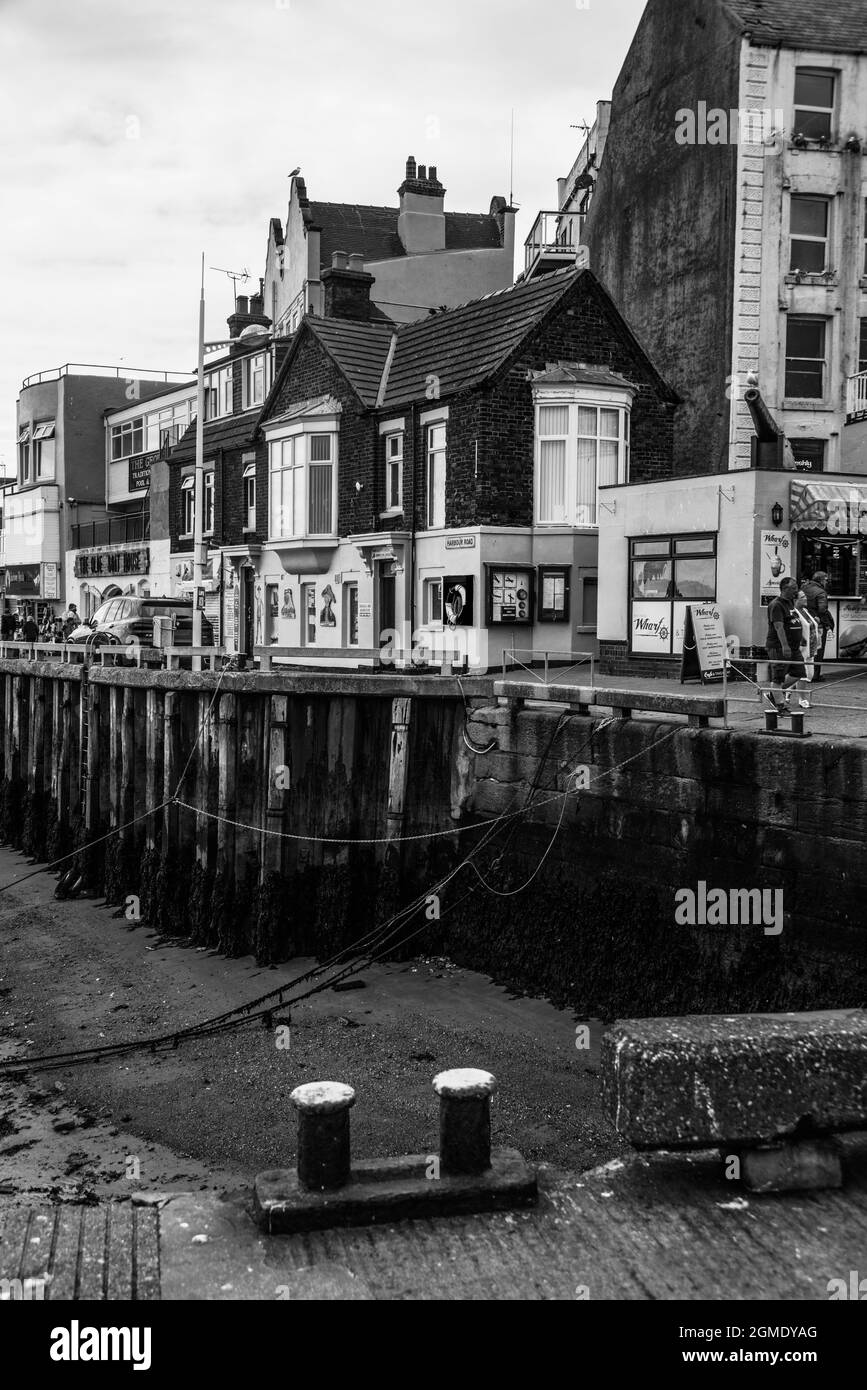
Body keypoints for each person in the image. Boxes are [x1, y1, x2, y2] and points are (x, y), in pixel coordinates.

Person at [765, 577, 803, 710]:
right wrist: (785, 646)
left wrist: (801, 637)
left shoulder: (790, 603)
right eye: (794, 588)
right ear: (785, 589)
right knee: (778, 677)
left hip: (794, 647)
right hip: (779, 646)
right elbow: (778, 627)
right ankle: (780, 706)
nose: (796, 590)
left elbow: (793, 621)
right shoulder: (776, 605)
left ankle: (774, 694)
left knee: (799, 672)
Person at [801, 571, 833, 682]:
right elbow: (822, 610)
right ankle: (815, 675)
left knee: (806, 649)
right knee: (818, 649)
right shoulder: (821, 592)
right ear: (821, 580)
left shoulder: (803, 588)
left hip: (804, 622)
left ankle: (805, 673)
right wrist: (827, 626)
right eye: (826, 579)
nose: (827, 582)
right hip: (817, 624)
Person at [791, 590, 821, 708]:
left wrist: (816, 622)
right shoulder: (794, 612)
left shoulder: (806, 611)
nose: (806, 598)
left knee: (809, 674)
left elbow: (810, 625)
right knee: (803, 674)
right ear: (795, 600)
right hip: (801, 648)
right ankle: (802, 699)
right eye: (802, 597)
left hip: (811, 647)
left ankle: (787, 691)